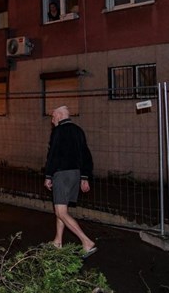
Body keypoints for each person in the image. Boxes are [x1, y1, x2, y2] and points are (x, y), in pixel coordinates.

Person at [44, 105, 98, 258]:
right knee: (62, 209)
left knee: (60, 212)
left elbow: (53, 154)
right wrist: (85, 177)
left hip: (61, 174)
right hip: (76, 174)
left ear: (60, 116)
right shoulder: (78, 130)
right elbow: (86, 155)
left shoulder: (58, 131)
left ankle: (86, 242)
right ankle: (57, 241)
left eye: (54, 117)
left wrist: (48, 175)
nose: (52, 120)